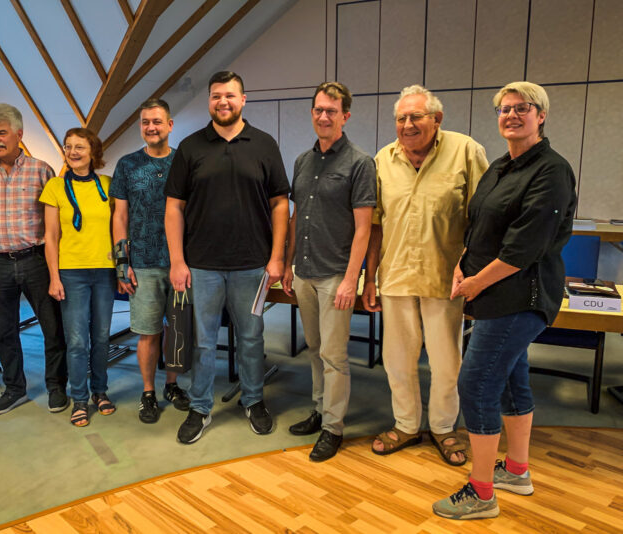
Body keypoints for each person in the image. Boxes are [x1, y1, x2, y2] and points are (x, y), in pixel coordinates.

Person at [433, 82, 576, 520]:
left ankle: (481, 492)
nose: (511, 115)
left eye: (522, 108)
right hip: (492, 292)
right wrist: (462, 261)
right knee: (513, 382)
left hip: (521, 296)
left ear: (541, 115)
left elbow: (523, 248)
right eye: (504, 109)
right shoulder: (499, 166)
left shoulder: (551, 171)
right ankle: (515, 470)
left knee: (475, 385)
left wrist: (475, 282)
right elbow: (480, 226)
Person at [363, 85, 488, 465]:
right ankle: (405, 424)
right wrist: (370, 279)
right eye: (401, 118)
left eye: (416, 116)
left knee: (447, 360)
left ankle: (444, 429)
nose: (407, 124)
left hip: (446, 278)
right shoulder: (383, 159)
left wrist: (474, 275)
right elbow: (376, 226)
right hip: (397, 274)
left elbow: (483, 219)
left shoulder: (466, 151)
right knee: (397, 359)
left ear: (437, 119)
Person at [165, 71, 290, 444]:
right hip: (201, 265)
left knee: (251, 337)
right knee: (202, 341)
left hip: (253, 265)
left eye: (230, 95)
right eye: (216, 95)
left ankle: (253, 400)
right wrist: (177, 260)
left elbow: (280, 204)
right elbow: (174, 208)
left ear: (243, 99)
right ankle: (200, 407)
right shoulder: (190, 148)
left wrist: (277, 256)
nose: (223, 101)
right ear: (209, 101)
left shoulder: (264, 145)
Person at [281, 82, 375, 461]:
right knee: (316, 349)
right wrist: (289, 263)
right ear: (312, 113)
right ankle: (320, 411)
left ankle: (333, 428)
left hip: (336, 274)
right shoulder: (303, 161)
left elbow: (365, 228)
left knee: (335, 356)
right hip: (303, 271)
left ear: (345, 116)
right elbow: (294, 218)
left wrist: (353, 279)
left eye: (331, 111)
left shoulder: (359, 163)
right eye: (319, 110)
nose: (324, 117)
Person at [0, 103, 68, 416]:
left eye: (1, 132)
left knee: (52, 328)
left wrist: (54, 270)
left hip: (35, 260)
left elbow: (53, 224)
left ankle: (56, 387)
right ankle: (14, 388)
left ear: (18, 134)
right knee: (4, 331)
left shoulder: (41, 170)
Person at [110, 99, 190, 424]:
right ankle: (147, 392)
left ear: (170, 125)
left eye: (157, 121)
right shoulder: (127, 165)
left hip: (179, 263)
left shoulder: (184, 163)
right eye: (145, 122)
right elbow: (119, 216)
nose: (151, 127)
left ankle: (171, 384)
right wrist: (120, 262)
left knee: (177, 330)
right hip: (142, 263)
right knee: (147, 332)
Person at [40, 127, 117, 427]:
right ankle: (79, 399)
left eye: (80, 147)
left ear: (93, 152)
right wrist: (54, 277)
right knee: (76, 341)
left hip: (104, 271)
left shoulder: (108, 185)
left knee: (100, 336)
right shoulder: (55, 187)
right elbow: (51, 236)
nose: (73, 152)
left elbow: (117, 227)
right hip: (71, 272)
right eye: (68, 146)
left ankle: (100, 391)